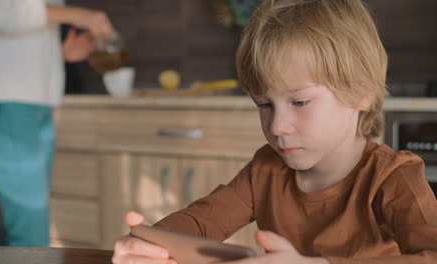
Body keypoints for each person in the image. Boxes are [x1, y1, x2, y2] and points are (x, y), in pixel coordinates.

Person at [112, 0, 437, 263]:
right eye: (264, 105)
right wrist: (150, 245)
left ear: (362, 93)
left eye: (300, 101)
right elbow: (200, 222)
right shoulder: (265, 169)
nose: (277, 127)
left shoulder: (394, 177)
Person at [0, 0, 114, 246]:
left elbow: (22, 30)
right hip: (7, 99)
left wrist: (59, 54)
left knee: (23, 224)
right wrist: (80, 16)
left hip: (38, 100)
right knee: (30, 230)